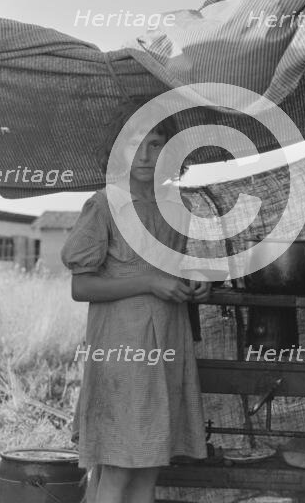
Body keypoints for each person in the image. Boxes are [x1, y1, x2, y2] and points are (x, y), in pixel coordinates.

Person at [61, 99, 210, 503]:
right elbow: (82, 287)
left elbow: (176, 272)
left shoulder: (176, 208)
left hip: (168, 344)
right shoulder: (106, 205)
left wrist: (194, 285)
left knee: (147, 470)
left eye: (157, 144)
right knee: (118, 469)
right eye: (135, 145)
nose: (146, 155)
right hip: (123, 352)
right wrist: (147, 282)